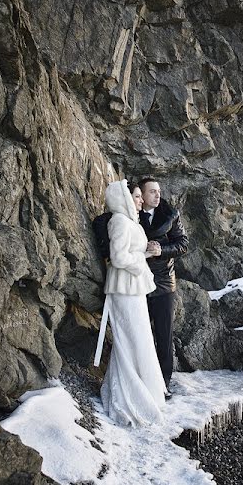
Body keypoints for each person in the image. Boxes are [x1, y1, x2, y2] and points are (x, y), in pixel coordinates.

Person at [96, 179, 167, 426]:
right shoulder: (119, 221)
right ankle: (129, 398)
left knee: (138, 339)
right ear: (125, 199)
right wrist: (140, 263)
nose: (140, 200)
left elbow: (130, 252)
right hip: (123, 288)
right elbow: (118, 257)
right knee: (131, 340)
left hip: (132, 288)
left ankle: (142, 391)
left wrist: (147, 252)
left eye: (139, 196)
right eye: (136, 196)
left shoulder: (129, 221)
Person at [138, 177, 188, 394]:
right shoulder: (132, 214)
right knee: (141, 334)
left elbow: (183, 244)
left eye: (158, 191)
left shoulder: (170, 214)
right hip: (138, 281)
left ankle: (163, 385)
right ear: (141, 195)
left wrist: (162, 250)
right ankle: (142, 381)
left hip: (164, 283)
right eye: (152, 192)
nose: (157, 195)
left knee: (164, 335)